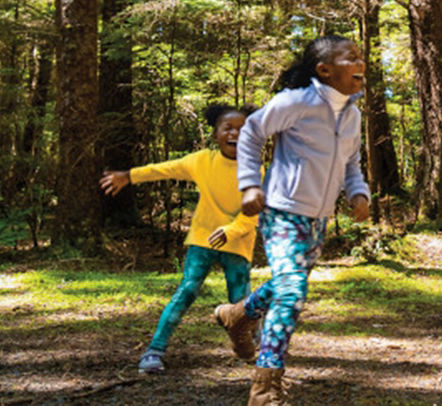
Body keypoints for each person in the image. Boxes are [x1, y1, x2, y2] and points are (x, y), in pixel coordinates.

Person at [214, 34, 371, 404]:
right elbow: (252, 133)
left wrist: (358, 192)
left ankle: (238, 316)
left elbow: (351, 163)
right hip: (282, 211)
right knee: (291, 292)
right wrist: (250, 185)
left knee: (287, 285)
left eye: (361, 56)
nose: (361, 63)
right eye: (351, 57)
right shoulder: (295, 102)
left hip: (318, 220)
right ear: (325, 70)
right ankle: (265, 388)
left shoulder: (353, 115)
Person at [99, 104, 259, 374]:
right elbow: (163, 169)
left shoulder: (255, 170)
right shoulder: (201, 161)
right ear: (215, 134)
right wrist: (127, 176)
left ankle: (259, 347)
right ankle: (155, 350)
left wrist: (230, 231)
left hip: (237, 242)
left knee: (241, 300)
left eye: (243, 129)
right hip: (202, 240)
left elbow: (251, 215)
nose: (235, 133)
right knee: (187, 290)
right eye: (228, 128)